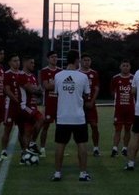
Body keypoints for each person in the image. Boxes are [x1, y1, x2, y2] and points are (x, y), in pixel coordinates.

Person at [51, 50, 91, 182]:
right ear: (76, 60)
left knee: (60, 145)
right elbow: (87, 95)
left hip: (63, 116)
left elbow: (57, 93)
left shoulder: (58, 76)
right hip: (78, 117)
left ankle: (57, 173)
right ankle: (83, 173)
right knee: (81, 144)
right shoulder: (83, 77)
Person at [18, 56, 44, 161]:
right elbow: (33, 90)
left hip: (32, 106)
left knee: (27, 131)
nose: (33, 64)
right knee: (41, 118)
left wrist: (36, 90)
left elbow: (38, 91)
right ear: (25, 62)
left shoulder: (32, 76)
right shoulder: (21, 75)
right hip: (25, 106)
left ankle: (25, 153)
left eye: (34, 62)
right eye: (31, 62)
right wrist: (36, 90)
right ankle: (32, 143)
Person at [39, 50, 62, 157]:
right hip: (49, 103)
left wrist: (52, 84)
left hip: (60, 104)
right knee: (45, 126)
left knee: (60, 127)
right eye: (52, 57)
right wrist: (56, 85)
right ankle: (42, 148)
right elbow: (46, 86)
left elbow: (61, 87)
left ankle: (59, 148)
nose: (55, 59)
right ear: (48, 59)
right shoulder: (44, 71)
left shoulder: (61, 71)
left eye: (56, 57)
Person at [110, 59, 134, 157]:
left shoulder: (134, 78)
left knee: (128, 129)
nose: (125, 67)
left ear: (130, 67)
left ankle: (125, 148)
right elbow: (112, 92)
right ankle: (115, 149)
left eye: (127, 65)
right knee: (118, 129)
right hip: (119, 109)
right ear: (120, 67)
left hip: (130, 108)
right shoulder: (115, 78)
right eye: (123, 65)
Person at [79, 53, 101, 156]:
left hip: (91, 105)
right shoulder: (77, 73)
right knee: (81, 127)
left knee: (94, 126)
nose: (87, 62)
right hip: (80, 105)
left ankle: (96, 148)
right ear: (80, 61)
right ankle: (82, 148)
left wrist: (92, 102)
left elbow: (96, 88)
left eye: (88, 60)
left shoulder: (94, 73)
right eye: (85, 60)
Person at [1, 54, 23, 159]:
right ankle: (4, 150)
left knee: (22, 129)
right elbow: (7, 90)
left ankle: (24, 150)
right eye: (14, 61)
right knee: (7, 129)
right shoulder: (7, 74)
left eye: (18, 60)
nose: (17, 62)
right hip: (10, 105)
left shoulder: (22, 74)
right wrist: (17, 100)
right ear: (9, 62)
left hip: (21, 106)